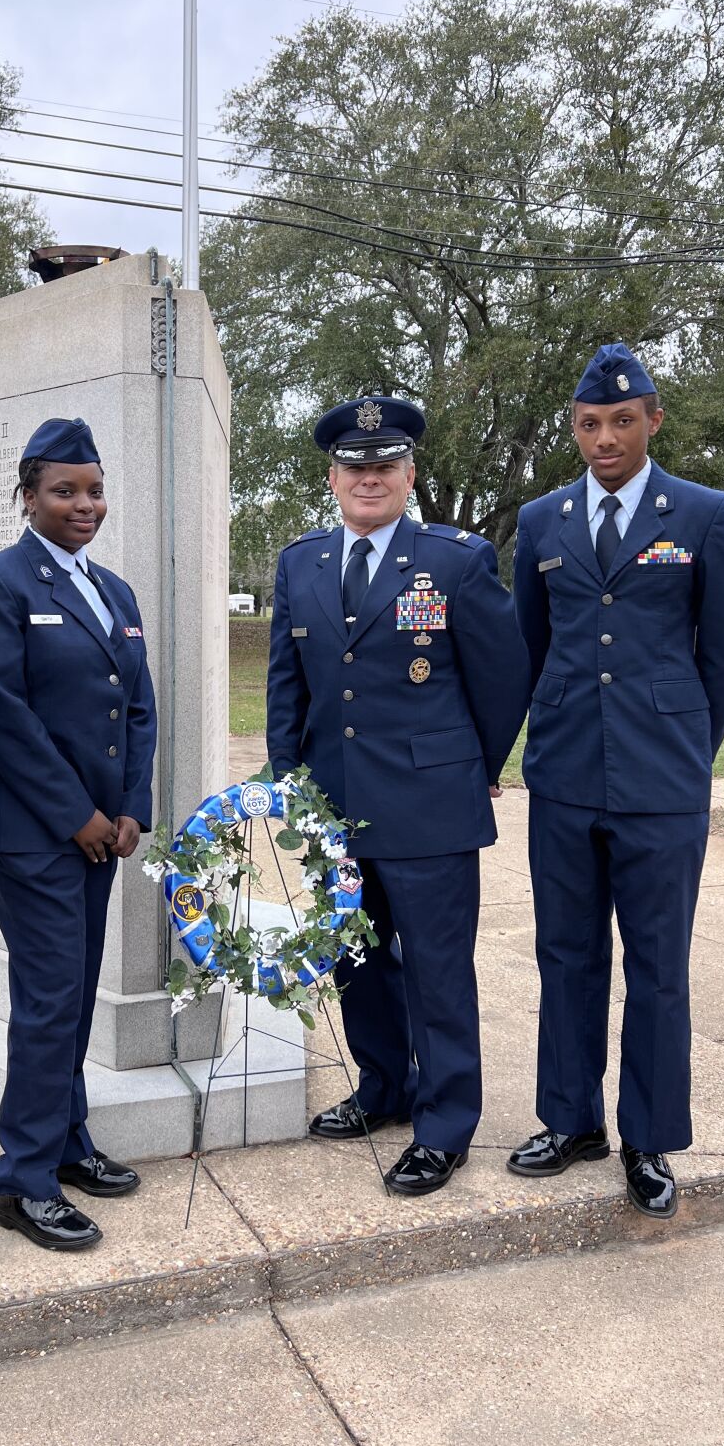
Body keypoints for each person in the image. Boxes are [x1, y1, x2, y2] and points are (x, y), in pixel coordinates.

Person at [507, 343, 724, 1218]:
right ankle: (569, 1118)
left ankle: (647, 1136)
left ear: (653, 419)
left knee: (656, 966)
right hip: (566, 771)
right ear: (572, 429)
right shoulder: (540, 523)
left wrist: (684, 735)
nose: (604, 437)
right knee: (566, 953)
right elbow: (526, 650)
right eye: (588, 424)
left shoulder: (701, 512)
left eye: (621, 420)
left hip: (662, 782)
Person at [266, 395, 529, 1195]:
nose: (368, 478)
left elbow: (501, 674)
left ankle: (444, 1122)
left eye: (384, 465)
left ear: (409, 475)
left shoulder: (454, 559)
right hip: (334, 803)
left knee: (436, 970)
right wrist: (290, 786)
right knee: (358, 961)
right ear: (333, 476)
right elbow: (288, 684)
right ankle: (383, 1087)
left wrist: (470, 764)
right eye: (354, 467)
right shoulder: (300, 561)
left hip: (429, 801)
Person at [0, 417, 157, 1251]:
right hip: (33, 830)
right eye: (65, 490)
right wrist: (78, 817)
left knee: (71, 992)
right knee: (48, 1000)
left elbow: (139, 707)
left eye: (95, 489)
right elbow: (0, 716)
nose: (85, 504)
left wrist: (132, 806)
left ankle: (66, 1141)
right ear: (29, 495)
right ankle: (24, 1180)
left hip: (103, 832)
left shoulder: (113, 591)